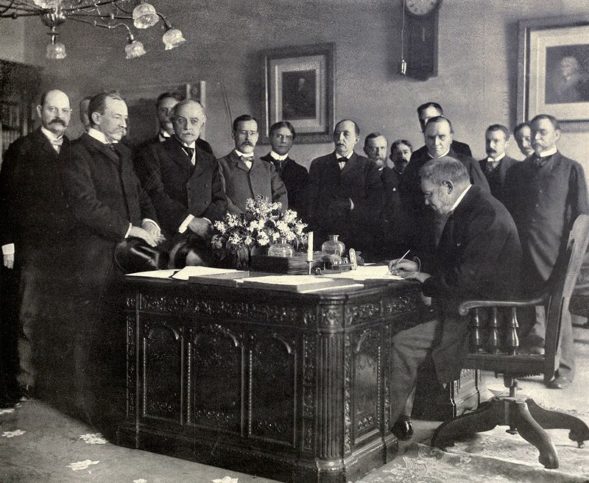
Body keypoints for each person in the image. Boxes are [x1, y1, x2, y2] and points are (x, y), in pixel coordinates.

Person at [388, 157, 521, 440]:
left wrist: (425, 280)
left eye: (429, 194)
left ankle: (383, 428)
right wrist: (421, 269)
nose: (426, 202)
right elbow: (459, 262)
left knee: (401, 342)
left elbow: (465, 278)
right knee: (407, 325)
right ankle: (396, 417)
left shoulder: (484, 215)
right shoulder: (475, 206)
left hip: (487, 320)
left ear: (447, 186)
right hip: (481, 310)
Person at [61, 91, 162, 419]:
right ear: (95, 118)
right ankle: (87, 408)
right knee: (91, 332)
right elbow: (85, 206)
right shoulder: (76, 152)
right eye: (117, 116)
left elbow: (140, 193)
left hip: (126, 257)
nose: (124, 123)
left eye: (125, 117)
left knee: (121, 330)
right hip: (94, 258)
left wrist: (149, 218)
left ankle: (118, 407)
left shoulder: (123, 151)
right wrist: (131, 229)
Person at [0, 89, 74, 405]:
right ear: (38, 111)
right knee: (28, 314)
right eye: (52, 108)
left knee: (58, 314)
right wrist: (7, 245)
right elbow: (5, 200)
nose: (59, 115)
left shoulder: (73, 150)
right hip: (31, 247)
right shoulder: (23, 149)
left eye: (64, 110)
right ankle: (24, 381)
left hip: (66, 250)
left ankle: (53, 383)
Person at [505, 114, 589, 389]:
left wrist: (575, 253)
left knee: (558, 307)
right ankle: (532, 361)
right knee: (526, 307)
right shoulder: (518, 170)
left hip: (556, 253)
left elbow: (582, 216)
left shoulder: (571, 168)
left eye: (542, 133)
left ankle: (564, 369)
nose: (536, 138)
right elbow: (508, 211)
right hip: (522, 250)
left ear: (557, 134)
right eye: (533, 134)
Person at [134, 99, 227, 260]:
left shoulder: (208, 158)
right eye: (181, 121)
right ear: (172, 121)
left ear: (203, 122)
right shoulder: (153, 152)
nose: (188, 127)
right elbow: (155, 194)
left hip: (205, 238)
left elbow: (219, 199)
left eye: (194, 121)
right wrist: (190, 221)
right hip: (170, 238)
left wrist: (205, 223)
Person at [399, 116, 489, 257]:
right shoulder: (413, 167)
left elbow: (483, 204)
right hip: (422, 240)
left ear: (451, 137)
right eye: (430, 137)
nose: (436, 143)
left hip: (459, 236)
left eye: (442, 137)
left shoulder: (468, 164)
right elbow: (405, 207)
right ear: (424, 137)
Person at [307, 119, 383, 259]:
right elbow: (311, 205)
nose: (340, 138)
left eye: (346, 134)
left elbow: (376, 205)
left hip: (358, 240)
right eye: (337, 134)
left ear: (356, 139)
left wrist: (352, 205)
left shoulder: (368, 166)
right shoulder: (318, 165)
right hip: (325, 241)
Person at [218, 115, 288, 214]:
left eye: (252, 133)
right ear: (233, 135)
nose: (248, 137)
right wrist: (243, 220)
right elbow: (221, 197)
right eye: (243, 132)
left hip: (267, 227)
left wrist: (271, 220)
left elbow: (281, 195)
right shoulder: (220, 165)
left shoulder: (268, 168)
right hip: (234, 226)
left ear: (257, 136)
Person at [136, 91, 213, 156]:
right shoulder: (144, 148)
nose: (169, 114)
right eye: (163, 110)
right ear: (157, 113)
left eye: (174, 110)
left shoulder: (203, 146)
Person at [260, 121, 308, 218]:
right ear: (270, 138)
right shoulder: (258, 165)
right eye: (279, 136)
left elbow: (304, 206)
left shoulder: (301, 171)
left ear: (292, 141)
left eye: (288, 137)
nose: (284, 141)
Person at [380, 139, 412, 258]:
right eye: (398, 154)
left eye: (405, 152)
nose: (402, 156)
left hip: (413, 232)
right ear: (391, 157)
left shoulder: (417, 178)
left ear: (411, 155)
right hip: (392, 233)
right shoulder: (384, 177)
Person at [478, 124, 518, 204]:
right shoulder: (477, 165)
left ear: (506, 144)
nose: (490, 145)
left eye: (496, 141)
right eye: (488, 141)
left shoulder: (516, 166)